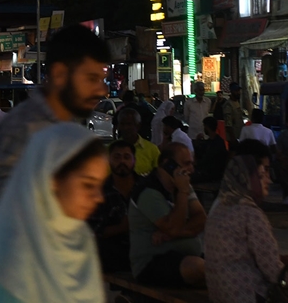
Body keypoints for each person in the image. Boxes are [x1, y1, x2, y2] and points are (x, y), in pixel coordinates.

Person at [0, 25, 109, 241]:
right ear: (60, 75)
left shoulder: (65, 128)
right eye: (92, 78)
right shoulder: (25, 131)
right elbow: (3, 227)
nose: (102, 90)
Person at [0, 123, 108, 303]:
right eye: (88, 185)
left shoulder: (80, 238)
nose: (100, 198)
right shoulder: (10, 258)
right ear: (51, 179)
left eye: (101, 185)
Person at [203, 140, 288, 303]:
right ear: (248, 176)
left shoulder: (220, 205)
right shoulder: (250, 214)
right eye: (263, 173)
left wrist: (283, 260)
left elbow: (242, 256)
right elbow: (274, 272)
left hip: (220, 294)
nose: (269, 180)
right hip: (249, 296)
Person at [128, 142, 207, 287]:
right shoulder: (148, 191)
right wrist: (183, 193)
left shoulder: (182, 184)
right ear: (167, 164)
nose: (191, 169)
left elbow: (201, 219)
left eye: (191, 164)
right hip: (152, 263)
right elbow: (173, 227)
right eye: (186, 163)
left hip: (182, 256)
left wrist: (170, 235)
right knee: (202, 269)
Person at [88, 138, 137, 274]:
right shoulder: (100, 190)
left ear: (134, 160)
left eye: (127, 157)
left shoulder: (145, 187)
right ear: (109, 160)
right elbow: (94, 230)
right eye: (117, 157)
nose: (122, 162)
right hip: (112, 250)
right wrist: (122, 227)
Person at [114, 108, 161, 176]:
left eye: (129, 124)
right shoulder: (110, 150)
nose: (125, 128)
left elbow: (160, 175)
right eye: (122, 124)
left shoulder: (152, 150)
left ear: (138, 126)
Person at [192, 115, 229, 184]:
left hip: (212, 174)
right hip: (209, 172)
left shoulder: (217, 143)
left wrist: (195, 164)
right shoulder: (214, 141)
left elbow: (206, 159)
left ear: (207, 127)